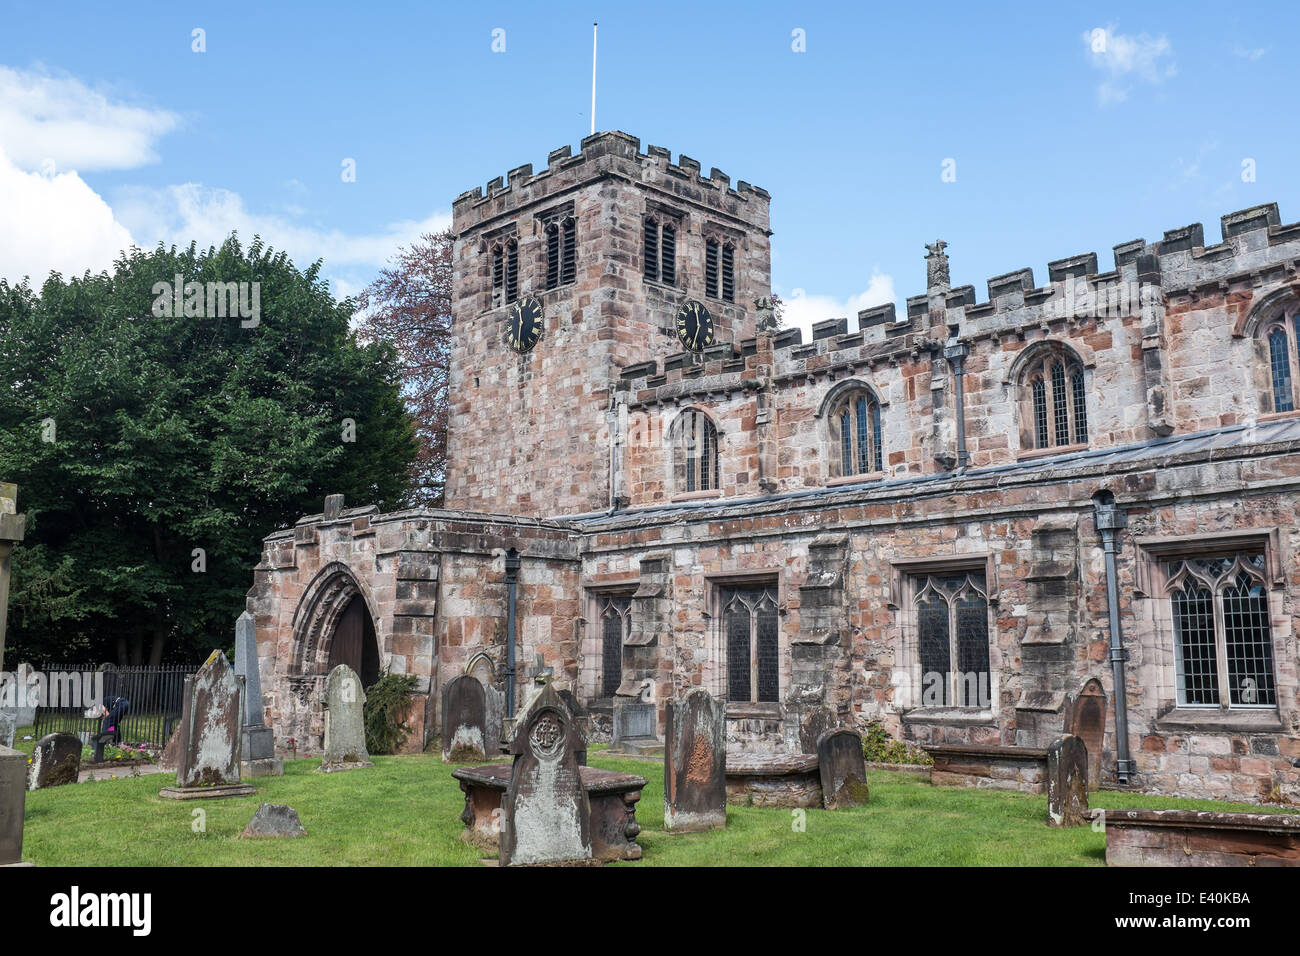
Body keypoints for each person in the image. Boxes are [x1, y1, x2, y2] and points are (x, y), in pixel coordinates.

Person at [92, 695, 130, 762]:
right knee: (114, 724)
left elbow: (106, 715)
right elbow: (108, 716)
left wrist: (104, 726)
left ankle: (103, 743)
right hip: (125, 704)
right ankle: (118, 743)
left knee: (108, 721)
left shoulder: (97, 704)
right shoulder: (105, 702)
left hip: (121, 704)